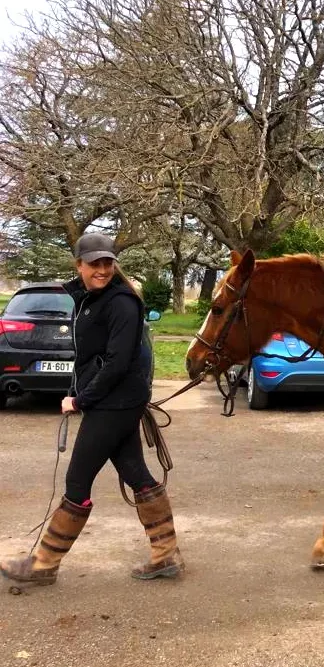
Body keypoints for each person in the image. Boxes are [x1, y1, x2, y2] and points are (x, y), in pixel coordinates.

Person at [0, 233, 184, 586]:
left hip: (115, 402)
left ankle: (43, 564)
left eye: (107, 263)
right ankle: (167, 555)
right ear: (79, 265)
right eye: (94, 264)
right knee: (135, 473)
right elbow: (90, 356)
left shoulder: (121, 303)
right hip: (115, 401)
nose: (101, 270)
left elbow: (116, 363)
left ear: (114, 264)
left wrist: (80, 400)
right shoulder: (90, 299)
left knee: (77, 480)